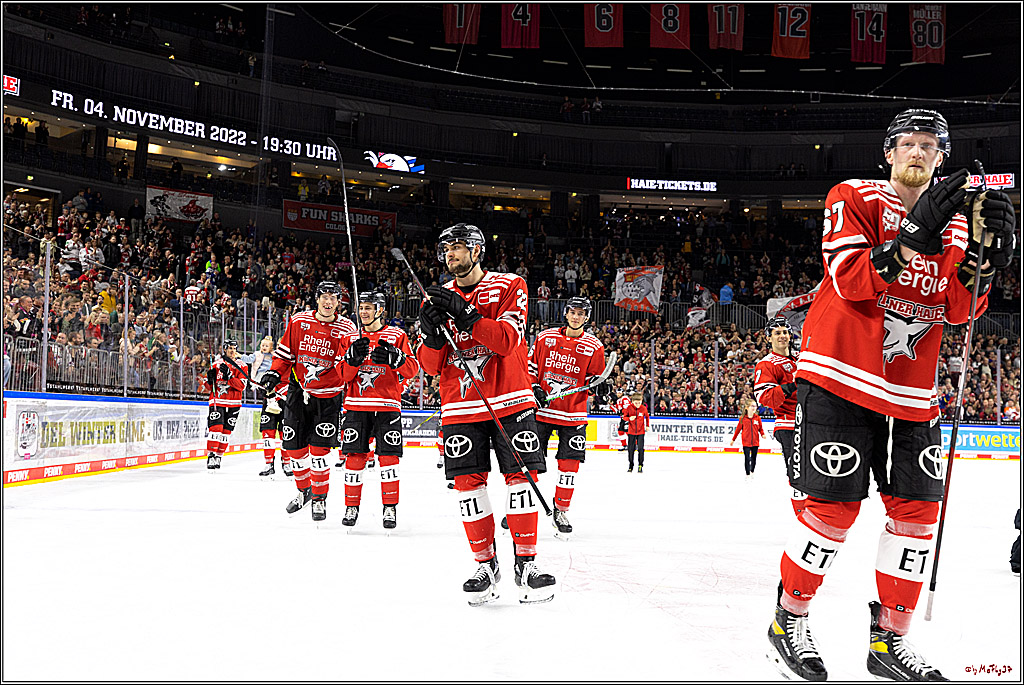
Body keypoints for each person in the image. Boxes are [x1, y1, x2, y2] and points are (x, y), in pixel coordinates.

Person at [767, 109, 1016, 682]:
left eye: (930, 145)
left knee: (918, 516)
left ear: (942, 157)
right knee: (831, 511)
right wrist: (913, 235)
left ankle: (890, 641)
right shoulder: (853, 195)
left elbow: (959, 310)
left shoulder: (961, 225)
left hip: (912, 392)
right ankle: (789, 620)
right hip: (839, 376)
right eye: (908, 143)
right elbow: (850, 280)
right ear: (889, 152)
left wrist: (986, 266)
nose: (918, 152)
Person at [418, 223, 555, 606]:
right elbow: (429, 366)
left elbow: (507, 340)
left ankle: (526, 565)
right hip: (460, 406)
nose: (450, 255)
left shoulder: (510, 285)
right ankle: (485, 566)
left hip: (510, 400)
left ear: (477, 250)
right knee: (468, 489)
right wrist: (431, 335)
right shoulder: (437, 297)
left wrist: (465, 314)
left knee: (521, 482)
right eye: (446, 249)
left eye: (458, 247)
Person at [261, 281, 358, 523]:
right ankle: (304, 491)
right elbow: (285, 354)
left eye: (333, 298)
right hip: (299, 391)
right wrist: (274, 372)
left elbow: (349, 363)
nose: (329, 302)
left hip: (329, 396)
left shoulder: (347, 328)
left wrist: (355, 356)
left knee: (319, 451)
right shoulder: (299, 321)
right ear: (317, 298)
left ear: (339, 302)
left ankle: (319, 498)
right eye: (325, 296)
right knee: (294, 448)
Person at [338, 291, 420, 529]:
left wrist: (396, 358)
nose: (363, 312)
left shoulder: (397, 335)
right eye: (361, 307)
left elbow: (412, 369)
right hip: (356, 405)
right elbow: (342, 375)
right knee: (354, 458)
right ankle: (351, 506)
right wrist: (352, 360)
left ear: (380, 310)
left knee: (388, 458)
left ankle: (389, 508)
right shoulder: (350, 337)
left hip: (387, 405)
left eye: (368, 307)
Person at [529, 296, 606, 538]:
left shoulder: (594, 346)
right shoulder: (545, 337)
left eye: (581, 313)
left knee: (569, 467)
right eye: (573, 311)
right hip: (542, 411)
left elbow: (594, 380)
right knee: (530, 463)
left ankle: (561, 510)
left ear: (587, 317)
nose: (576, 316)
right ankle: (523, 508)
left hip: (573, 415)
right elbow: (530, 368)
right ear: (565, 313)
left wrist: (601, 387)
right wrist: (535, 387)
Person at [754, 315, 806, 514]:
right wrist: (792, 386)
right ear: (769, 338)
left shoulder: (801, 357)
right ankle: (802, 514)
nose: (782, 336)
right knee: (797, 473)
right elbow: (765, 397)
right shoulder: (766, 364)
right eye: (777, 333)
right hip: (789, 424)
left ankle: (817, 512)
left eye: (785, 332)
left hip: (812, 422)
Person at [240, 336, 291, 478]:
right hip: (270, 399)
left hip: (286, 401)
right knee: (268, 432)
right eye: (279, 346)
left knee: (285, 433)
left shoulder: (292, 362)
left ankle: (287, 463)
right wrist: (263, 388)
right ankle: (269, 464)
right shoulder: (270, 359)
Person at [204, 339, 249, 470]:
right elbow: (209, 387)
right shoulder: (216, 364)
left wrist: (230, 377)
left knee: (226, 432)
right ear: (224, 349)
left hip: (234, 403)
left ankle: (218, 456)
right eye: (230, 348)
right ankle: (211, 455)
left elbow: (242, 386)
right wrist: (210, 380)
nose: (232, 351)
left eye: (234, 348)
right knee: (215, 429)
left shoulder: (242, 365)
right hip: (218, 401)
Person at [730, 399, 765, 479]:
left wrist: (762, 434)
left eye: (755, 406)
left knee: (753, 458)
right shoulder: (743, 419)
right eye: (752, 406)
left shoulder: (757, 418)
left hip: (755, 442)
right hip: (746, 442)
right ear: (747, 407)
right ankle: (747, 473)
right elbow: (738, 430)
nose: (754, 408)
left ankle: (752, 471)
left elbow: (760, 428)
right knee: (747, 458)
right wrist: (733, 439)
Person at [622, 393, 649, 472]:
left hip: (641, 432)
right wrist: (629, 418)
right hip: (631, 432)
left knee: (640, 449)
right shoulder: (629, 408)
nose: (637, 405)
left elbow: (647, 417)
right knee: (631, 449)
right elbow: (624, 417)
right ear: (632, 401)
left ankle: (640, 465)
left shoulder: (643, 408)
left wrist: (647, 425)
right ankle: (631, 465)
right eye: (635, 403)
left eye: (639, 403)